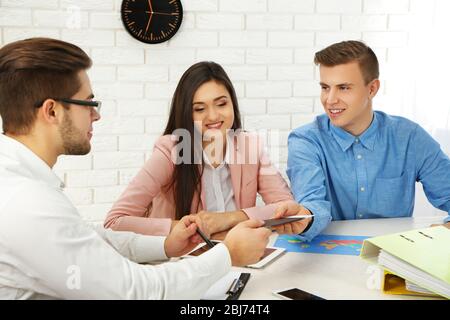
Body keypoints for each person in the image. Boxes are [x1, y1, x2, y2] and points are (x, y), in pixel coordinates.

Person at [0, 37, 271, 299]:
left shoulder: (23, 186)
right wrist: (227, 255)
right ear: (52, 112)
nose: (96, 114)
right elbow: (139, 292)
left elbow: (92, 238)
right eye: (88, 103)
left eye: (221, 103)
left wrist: (165, 244)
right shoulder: (28, 205)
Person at [104, 61, 312, 238]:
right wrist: (191, 228)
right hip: (180, 262)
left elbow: (287, 208)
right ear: (186, 112)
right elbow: (114, 222)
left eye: (221, 104)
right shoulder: (171, 151)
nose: (213, 116)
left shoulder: (250, 146)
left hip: (237, 254)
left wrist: (228, 219)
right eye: (200, 109)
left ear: (232, 104)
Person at [285, 40, 450, 241]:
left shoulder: (409, 137)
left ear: (372, 89)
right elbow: (312, 202)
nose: (330, 99)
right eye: (325, 87)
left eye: (344, 88)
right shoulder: (305, 141)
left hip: (392, 257)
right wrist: (305, 218)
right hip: (327, 257)